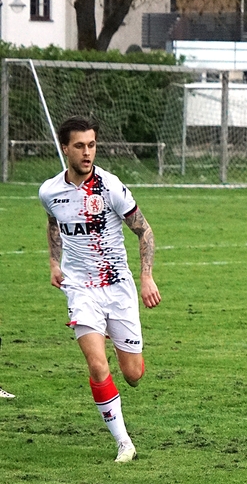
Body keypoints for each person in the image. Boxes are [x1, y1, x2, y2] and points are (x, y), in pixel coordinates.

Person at [39, 116, 161, 462]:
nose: (87, 152)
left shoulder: (110, 187)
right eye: (79, 146)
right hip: (80, 289)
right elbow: (53, 224)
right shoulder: (50, 192)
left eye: (91, 145)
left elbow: (144, 230)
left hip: (118, 287)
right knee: (97, 366)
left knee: (133, 375)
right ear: (65, 148)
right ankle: (124, 443)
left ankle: (115, 335)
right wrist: (54, 263)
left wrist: (146, 277)